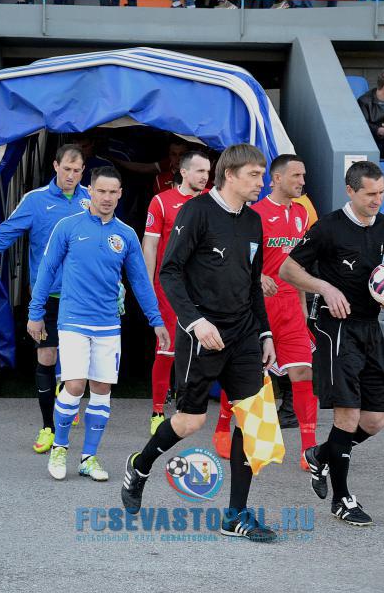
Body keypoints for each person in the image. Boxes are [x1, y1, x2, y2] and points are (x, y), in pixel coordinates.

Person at [120, 144, 278, 543]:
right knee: (191, 421)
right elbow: (169, 272)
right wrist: (195, 321)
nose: (261, 182)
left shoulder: (253, 221)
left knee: (252, 420)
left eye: (262, 175)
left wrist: (264, 333)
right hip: (202, 334)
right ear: (230, 175)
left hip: (244, 334)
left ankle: (235, 515)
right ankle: (140, 464)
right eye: (254, 175)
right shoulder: (196, 212)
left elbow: (253, 283)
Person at [28, 167, 169, 482]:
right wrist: (35, 311)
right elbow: (46, 269)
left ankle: (88, 458)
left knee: (102, 390)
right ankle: (60, 447)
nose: (106, 197)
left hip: (108, 324)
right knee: (75, 386)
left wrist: (156, 319)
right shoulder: (68, 226)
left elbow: (140, 281)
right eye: (101, 191)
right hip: (73, 320)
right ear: (89, 191)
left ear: (120, 194)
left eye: (112, 192)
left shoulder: (126, 234)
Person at [279, 160, 384, 526]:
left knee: (374, 420)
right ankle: (342, 499)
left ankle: (321, 455)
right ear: (350, 191)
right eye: (369, 194)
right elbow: (288, 269)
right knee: (348, 414)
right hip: (336, 329)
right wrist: (325, 287)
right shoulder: (328, 228)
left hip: (370, 328)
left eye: (381, 193)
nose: (377, 200)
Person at [0, 144, 90, 454]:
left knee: (78, 362)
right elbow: (4, 234)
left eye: (76, 170)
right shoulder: (36, 200)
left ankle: (68, 399)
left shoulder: (92, 200)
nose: (71, 175)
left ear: (83, 171)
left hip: (83, 298)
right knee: (47, 357)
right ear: (55, 166)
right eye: (66, 169)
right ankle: (48, 427)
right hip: (47, 296)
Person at [213, 154, 317, 471]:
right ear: (277, 179)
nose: (302, 182)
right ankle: (222, 426)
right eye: (296, 176)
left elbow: (298, 267)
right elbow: (234, 261)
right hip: (257, 306)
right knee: (247, 374)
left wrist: (302, 308)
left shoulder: (302, 214)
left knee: (304, 373)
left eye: (304, 175)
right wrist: (258, 276)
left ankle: (309, 450)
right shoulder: (253, 214)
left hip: (290, 306)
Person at [142, 150, 210, 435]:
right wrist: (147, 287)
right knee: (167, 348)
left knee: (204, 348)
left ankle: (188, 408)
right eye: (200, 171)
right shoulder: (161, 201)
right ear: (183, 172)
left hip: (204, 288)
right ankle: (158, 410)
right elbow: (150, 245)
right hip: (170, 287)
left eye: (208, 172)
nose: (205, 177)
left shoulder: (212, 201)